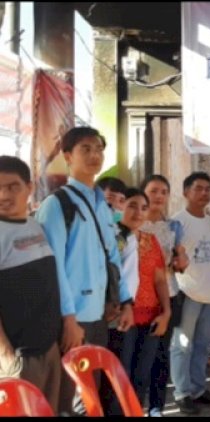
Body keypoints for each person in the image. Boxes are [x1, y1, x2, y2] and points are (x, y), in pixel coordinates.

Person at [35, 127, 134, 415]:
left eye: (99, 149)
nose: (95, 155)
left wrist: (125, 301)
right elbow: (52, 267)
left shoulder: (101, 203)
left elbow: (112, 256)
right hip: (71, 319)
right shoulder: (57, 205)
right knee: (71, 396)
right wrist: (68, 319)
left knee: (92, 393)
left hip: (99, 315)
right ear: (68, 156)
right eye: (85, 149)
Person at [0, 156, 62, 413]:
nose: (4, 195)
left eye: (12, 186)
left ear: (29, 187)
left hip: (48, 348)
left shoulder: (34, 224)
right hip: (18, 356)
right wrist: (5, 355)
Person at [170, 172, 210, 415]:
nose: (204, 193)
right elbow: (172, 259)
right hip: (187, 292)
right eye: (198, 188)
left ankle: (198, 389)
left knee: (203, 345)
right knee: (182, 346)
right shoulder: (177, 222)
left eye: (207, 189)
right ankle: (182, 393)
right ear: (186, 192)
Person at [116, 188, 171, 412]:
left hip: (151, 317)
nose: (138, 212)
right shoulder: (112, 239)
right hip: (122, 317)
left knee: (141, 376)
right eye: (132, 206)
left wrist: (166, 312)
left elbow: (160, 279)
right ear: (121, 206)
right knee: (121, 376)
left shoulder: (150, 240)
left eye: (143, 208)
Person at [140, 174, 188, 417]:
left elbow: (181, 259)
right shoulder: (135, 225)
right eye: (153, 191)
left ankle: (156, 406)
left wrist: (181, 262)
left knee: (161, 354)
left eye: (163, 192)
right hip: (139, 299)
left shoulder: (174, 227)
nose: (158, 196)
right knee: (140, 355)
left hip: (168, 294)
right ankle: (134, 404)